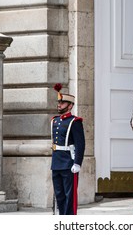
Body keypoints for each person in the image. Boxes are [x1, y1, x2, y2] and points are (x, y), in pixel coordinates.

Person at [51, 83, 85, 215]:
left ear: (70, 106)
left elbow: (80, 144)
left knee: (69, 196)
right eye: (59, 102)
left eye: (63, 103)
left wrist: (77, 163)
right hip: (56, 163)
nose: (59, 105)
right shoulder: (55, 121)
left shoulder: (75, 122)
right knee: (59, 195)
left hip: (68, 163)